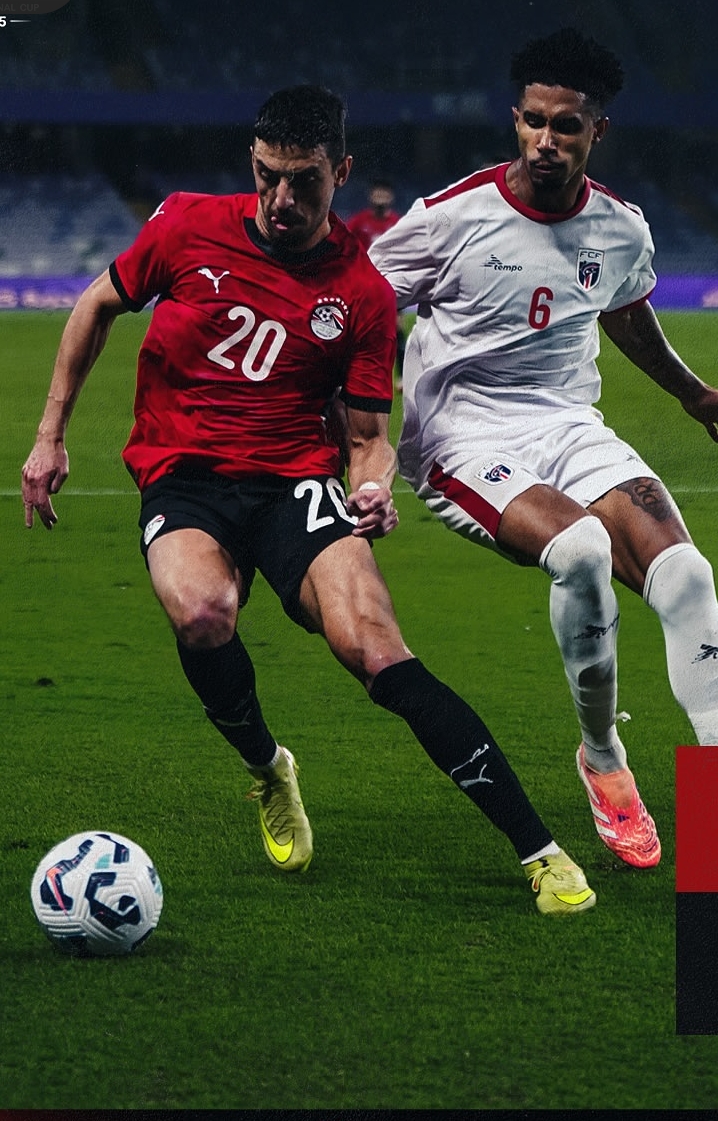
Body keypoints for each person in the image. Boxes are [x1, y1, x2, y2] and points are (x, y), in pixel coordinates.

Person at [21, 84, 594, 916]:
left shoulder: (360, 291)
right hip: (185, 475)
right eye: (268, 176)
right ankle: (268, 767)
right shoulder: (185, 225)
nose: (282, 200)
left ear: (341, 173)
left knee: (378, 649)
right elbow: (97, 303)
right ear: (253, 164)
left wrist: (373, 486)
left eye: (305, 181)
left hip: (296, 480)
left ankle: (539, 850)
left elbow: (366, 436)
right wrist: (50, 435)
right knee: (204, 613)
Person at [369, 27, 718, 872]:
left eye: (566, 125)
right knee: (582, 549)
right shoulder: (451, 218)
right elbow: (359, 306)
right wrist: (354, 431)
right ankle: (603, 756)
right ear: (516, 118)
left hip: (567, 424)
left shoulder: (620, 229)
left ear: (598, 130)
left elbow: (626, 313)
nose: (546, 141)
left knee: (689, 577)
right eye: (533, 121)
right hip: (459, 435)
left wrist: (695, 394)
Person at [347, 179, 406, 388]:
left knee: (397, 329)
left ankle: (401, 376)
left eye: (384, 193)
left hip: (390, 283)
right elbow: (346, 246)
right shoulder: (359, 222)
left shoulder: (399, 223)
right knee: (357, 329)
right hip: (363, 284)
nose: (380, 197)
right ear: (371, 196)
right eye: (377, 193)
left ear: (391, 196)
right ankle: (353, 372)